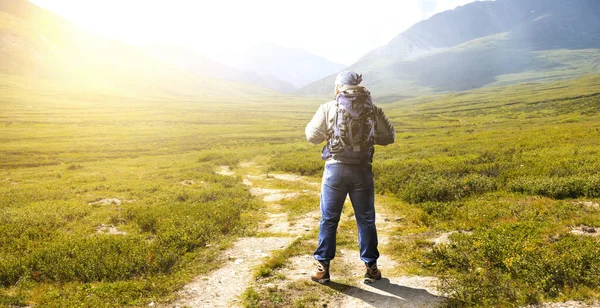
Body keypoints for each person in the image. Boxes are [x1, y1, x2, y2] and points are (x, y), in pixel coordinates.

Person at [305, 71, 396, 284]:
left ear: (339, 87)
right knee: (366, 219)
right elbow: (389, 137)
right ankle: (371, 268)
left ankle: (322, 269)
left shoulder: (328, 107)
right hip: (363, 170)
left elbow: (311, 136)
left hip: (335, 170)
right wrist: (370, 138)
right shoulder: (373, 109)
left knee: (329, 219)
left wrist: (329, 135)